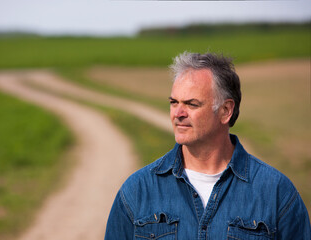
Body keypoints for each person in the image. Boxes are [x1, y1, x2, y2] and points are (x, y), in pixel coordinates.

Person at [104, 52, 310, 239]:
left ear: (226, 110)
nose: (178, 113)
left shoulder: (276, 193)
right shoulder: (137, 190)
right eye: (174, 102)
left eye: (192, 104)